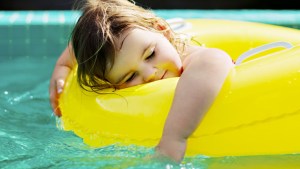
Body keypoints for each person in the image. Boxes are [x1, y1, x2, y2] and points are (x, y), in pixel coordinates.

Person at [49, 0, 234, 162]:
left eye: (151, 54)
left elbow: (215, 60)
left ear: (162, 31)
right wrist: (63, 66)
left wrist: (174, 138)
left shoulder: (191, 57)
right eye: (130, 77)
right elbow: (87, 47)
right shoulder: (139, 46)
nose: (149, 73)